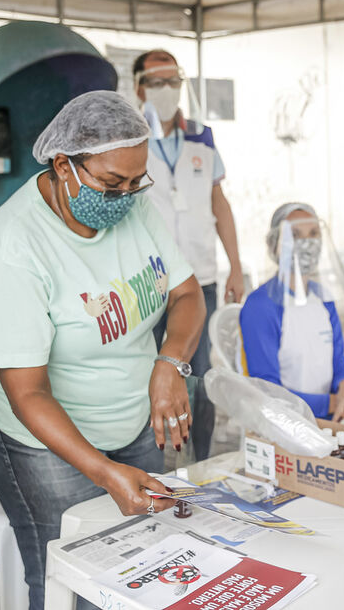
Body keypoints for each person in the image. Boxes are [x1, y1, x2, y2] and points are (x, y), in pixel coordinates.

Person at [0, 90, 206, 609]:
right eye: (111, 183)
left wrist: (169, 363)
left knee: (149, 561)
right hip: (41, 441)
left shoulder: (134, 208)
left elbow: (187, 294)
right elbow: (27, 392)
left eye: (135, 182)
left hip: (132, 419)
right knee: (70, 580)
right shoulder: (16, 245)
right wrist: (101, 471)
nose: (125, 196)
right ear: (63, 166)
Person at [134, 48, 244, 460]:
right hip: (147, 279)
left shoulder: (201, 135)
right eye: (156, 82)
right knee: (148, 371)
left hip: (200, 277)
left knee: (197, 374)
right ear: (139, 87)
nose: (166, 90)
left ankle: (199, 457)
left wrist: (235, 264)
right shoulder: (132, 135)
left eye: (173, 82)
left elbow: (220, 203)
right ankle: (150, 455)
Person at [240, 203, 344, 420]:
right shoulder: (261, 306)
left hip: (330, 418)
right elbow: (268, 392)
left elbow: (338, 361)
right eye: (295, 235)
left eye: (314, 234)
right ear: (275, 245)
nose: (307, 242)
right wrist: (335, 402)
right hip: (285, 427)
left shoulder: (323, 298)